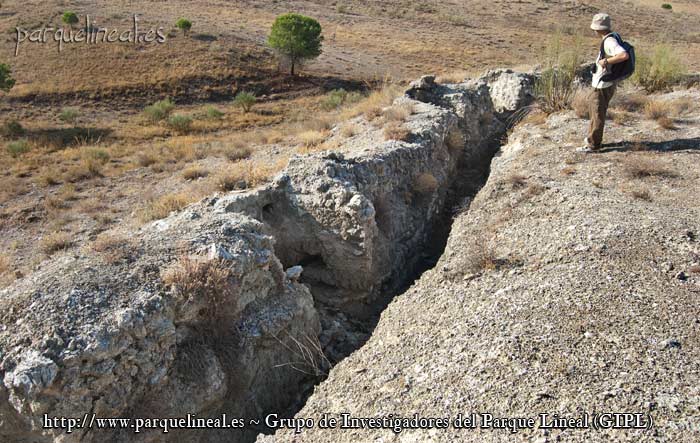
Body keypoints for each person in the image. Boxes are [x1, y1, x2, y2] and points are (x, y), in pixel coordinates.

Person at [584, 13, 630, 151]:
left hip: (602, 84)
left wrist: (606, 61)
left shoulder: (609, 41)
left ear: (598, 28)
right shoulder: (612, 36)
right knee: (596, 112)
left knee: (597, 113)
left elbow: (623, 55)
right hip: (606, 82)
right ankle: (592, 139)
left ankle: (594, 144)